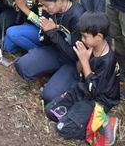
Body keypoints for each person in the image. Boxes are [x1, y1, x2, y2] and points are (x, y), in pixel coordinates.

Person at [45, 11, 120, 144]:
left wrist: (85, 61)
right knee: (51, 110)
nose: (82, 39)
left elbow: (93, 89)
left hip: (98, 100)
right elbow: (79, 70)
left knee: (63, 128)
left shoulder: (108, 61)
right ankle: (76, 114)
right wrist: (82, 58)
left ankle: (104, 123)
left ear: (99, 36)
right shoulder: (91, 46)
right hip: (83, 90)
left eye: (85, 36)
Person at [14, 0, 85, 103]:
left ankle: (62, 79)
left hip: (72, 62)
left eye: (47, 5)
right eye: (42, 5)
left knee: (49, 96)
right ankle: (54, 73)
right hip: (56, 51)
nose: (44, 8)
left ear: (59, 0)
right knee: (21, 65)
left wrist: (53, 33)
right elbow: (44, 41)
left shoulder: (77, 17)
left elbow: (75, 55)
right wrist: (46, 32)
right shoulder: (50, 11)